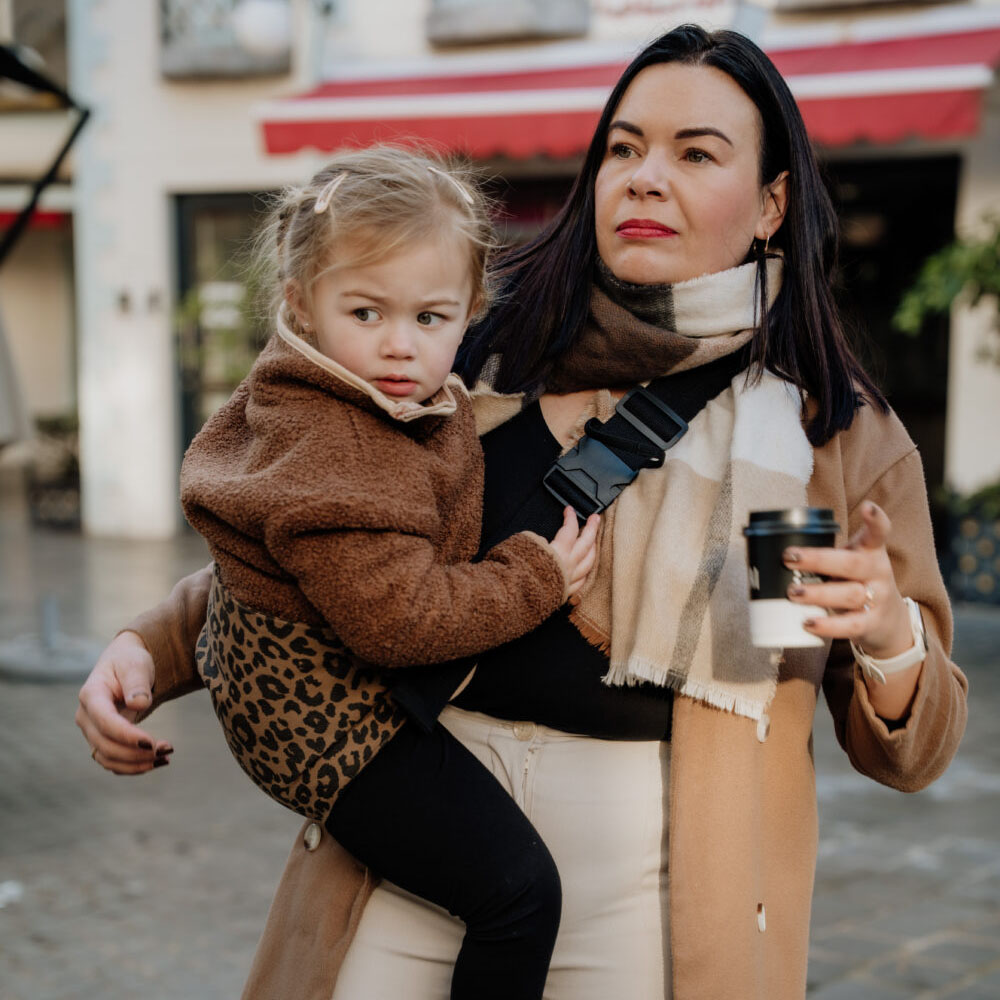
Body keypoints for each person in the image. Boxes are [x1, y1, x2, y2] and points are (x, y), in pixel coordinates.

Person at [76, 24, 968, 1000]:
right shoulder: (474, 354)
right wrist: (150, 646)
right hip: (425, 832)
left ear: (771, 203)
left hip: (662, 878)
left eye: (694, 152)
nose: (642, 177)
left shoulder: (824, 432)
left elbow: (912, 753)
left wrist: (888, 635)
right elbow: (321, 540)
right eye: (622, 148)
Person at [162, 145, 601, 1000]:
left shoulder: (354, 395)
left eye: (432, 319)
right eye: (366, 313)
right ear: (301, 305)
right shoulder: (343, 442)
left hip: (309, 692)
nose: (400, 346)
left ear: (471, 311)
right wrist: (535, 576)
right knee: (518, 893)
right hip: (330, 724)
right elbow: (398, 623)